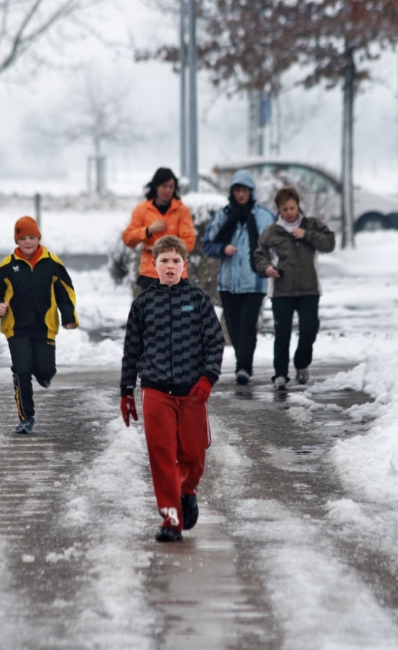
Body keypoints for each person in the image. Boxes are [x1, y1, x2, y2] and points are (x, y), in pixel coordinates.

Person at [120, 235, 225, 542]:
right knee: (162, 454)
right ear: (154, 265)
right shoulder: (143, 304)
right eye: (163, 260)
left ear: (185, 266)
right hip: (155, 390)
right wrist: (127, 391)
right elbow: (132, 350)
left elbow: (215, 343)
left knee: (193, 454)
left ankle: (187, 490)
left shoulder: (200, 300)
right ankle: (171, 518)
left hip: (192, 391)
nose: (169, 266)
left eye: (175, 261)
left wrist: (208, 379)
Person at [0, 216, 79, 433]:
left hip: (44, 326)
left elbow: (65, 291)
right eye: (23, 238)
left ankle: (43, 375)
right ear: (17, 240)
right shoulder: (8, 266)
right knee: (22, 369)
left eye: (32, 237)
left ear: (39, 238)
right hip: (16, 328)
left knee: (45, 370)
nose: (28, 242)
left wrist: (69, 316)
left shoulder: (52, 263)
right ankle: (26, 417)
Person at [254, 186, 335, 390]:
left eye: (292, 208)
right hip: (282, 290)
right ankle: (280, 374)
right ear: (279, 210)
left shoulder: (312, 224)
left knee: (309, 328)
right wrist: (267, 269)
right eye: (284, 209)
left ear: (298, 206)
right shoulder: (272, 232)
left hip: (309, 288)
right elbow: (259, 255)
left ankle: (301, 363)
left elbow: (330, 243)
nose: (289, 213)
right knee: (282, 332)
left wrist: (307, 235)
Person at [203, 169, 274, 385]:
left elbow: (276, 245)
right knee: (233, 326)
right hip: (228, 282)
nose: (240, 195)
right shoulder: (223, 216)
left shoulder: (264, 217)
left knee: (247, 324)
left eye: (244, 190)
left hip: (254, 281)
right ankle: (241, 362)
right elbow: (208, 244)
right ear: (232, 192)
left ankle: (244, 367)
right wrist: (222, 248)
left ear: (251, 192)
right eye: (237, 190)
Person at [122, 167, 196, 292]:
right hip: (150, 273)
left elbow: (189, 242)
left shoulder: (182, 211)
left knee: (177, 311)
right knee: (152, 311)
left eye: (171, 187)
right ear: (156, 186)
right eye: (164, 186)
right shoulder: (142, 209)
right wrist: (148, 230)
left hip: (176, 274)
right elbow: (128, 239)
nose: (168, 190)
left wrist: (161, 250)